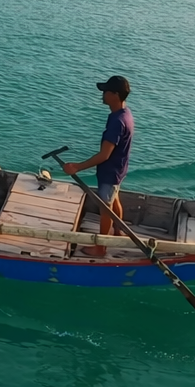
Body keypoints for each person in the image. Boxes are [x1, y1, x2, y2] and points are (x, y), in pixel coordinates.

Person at [63, 75, 134, 257]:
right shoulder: (125, 114)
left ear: (115, 95)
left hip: (110, 171)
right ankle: (118, 232)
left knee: (105, 209)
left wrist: (77, 167)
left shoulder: (117, 122)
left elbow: (104, 155)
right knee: (114, 200)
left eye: (106, 92)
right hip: (119, 168)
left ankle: (101, 248)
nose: (102, 94)